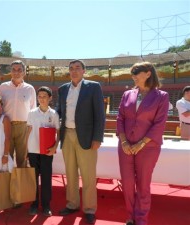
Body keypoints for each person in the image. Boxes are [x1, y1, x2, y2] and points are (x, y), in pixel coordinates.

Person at [116, 62, 169, 225]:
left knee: (143, 184)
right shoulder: (127, 94)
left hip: (148, 147)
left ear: (148, 74)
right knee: (127, 183)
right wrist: (124, 141)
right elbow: (120, 118)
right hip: (125, 146)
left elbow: (159, 124)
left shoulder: (162, 96)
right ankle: (130, 216)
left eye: (136, 73)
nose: (133, 77)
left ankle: (141, 219)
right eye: (132, 73)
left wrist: (141, 144)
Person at [57, 59, 105, 224]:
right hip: (67, 135)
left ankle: (90, 209)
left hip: (86, 136)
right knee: (70, 173)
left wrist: (98, 137)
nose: (74, 70)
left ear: (84, 71)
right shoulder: (63, 89)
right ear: (68, 71)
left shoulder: (93, 87)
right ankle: (72, 204)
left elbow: (100, 114)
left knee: (88, 175)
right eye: (71, 68)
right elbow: (59, 112)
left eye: (78, 68)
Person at [26, 86, 60, 217]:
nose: (42, 99)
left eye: (44, 96)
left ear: (50, 98)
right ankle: (34, 205)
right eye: (39, 96)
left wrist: (55, 147)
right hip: (33, 150)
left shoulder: (54, 114)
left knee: (46, 179)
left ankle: (46, 206)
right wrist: (25, 150)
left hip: (47, 151)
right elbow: (28, 131)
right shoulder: (31, 113)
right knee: (33, 179)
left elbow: (58, 132)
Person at [0, 60, 36, 168]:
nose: (16, 72)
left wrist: (30, 130)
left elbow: (33, 110)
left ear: (24, 72)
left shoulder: (30, 89)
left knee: (22, 159)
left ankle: (20, 184)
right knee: (6, 157)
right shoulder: (3, 87)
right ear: (10, 71)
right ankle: (7, 183)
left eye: (19, 70)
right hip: (6, 125)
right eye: (14, 69)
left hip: (23, 127)